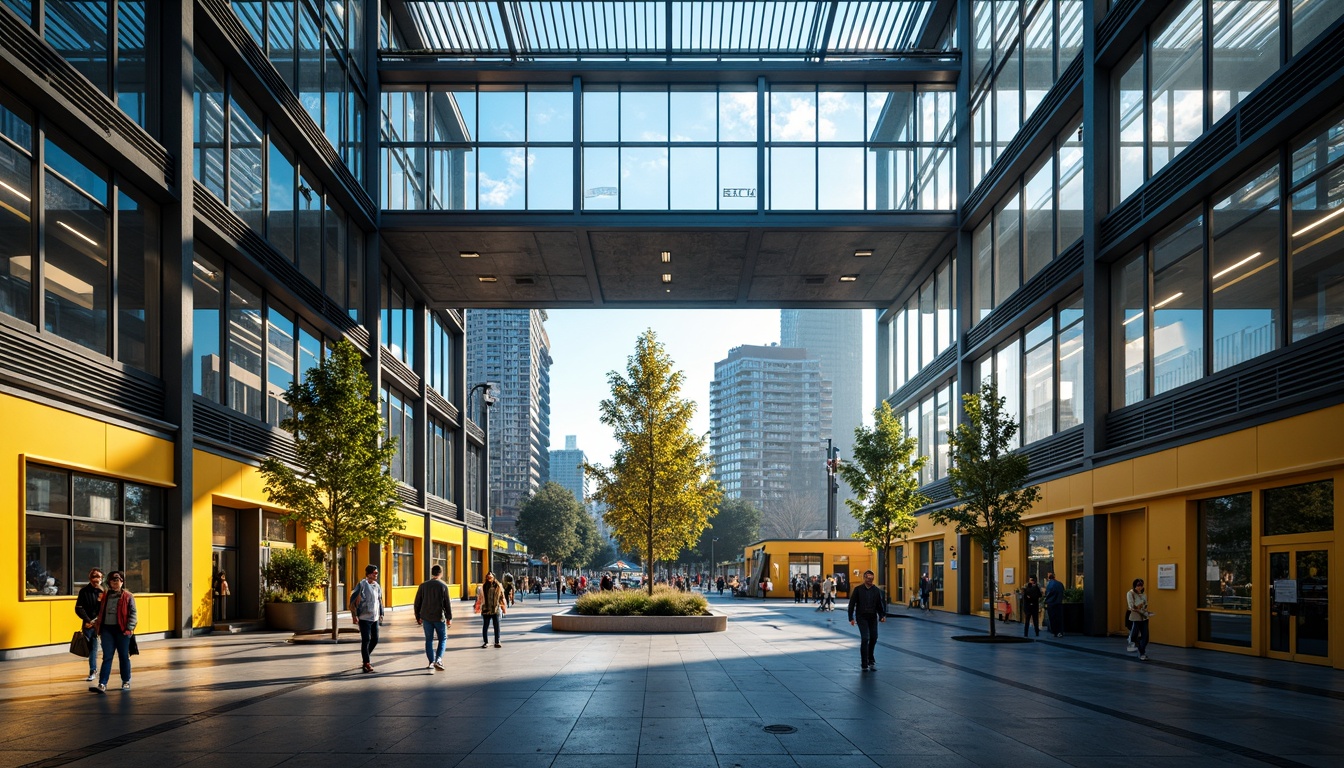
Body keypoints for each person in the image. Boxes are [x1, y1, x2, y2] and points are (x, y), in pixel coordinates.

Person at [89, 570, 136, 693]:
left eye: (118, 580)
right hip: (107, 630)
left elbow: (133, 613)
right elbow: (101, 612)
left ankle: (126, 680)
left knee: (124, 656)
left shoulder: (128, 596)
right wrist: (96, 623)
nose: (116, 583)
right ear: (109, 582)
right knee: (107, 657)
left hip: (122, 630)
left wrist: (129, 628)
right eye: (113, 581)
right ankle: (102, 683)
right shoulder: (105, 596)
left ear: (122, 582)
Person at [414, 564, 453, 672]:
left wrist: (418, 616)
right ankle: (438, 659)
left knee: (429, 640)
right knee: (442, 639)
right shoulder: (443, 586)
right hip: (439, 617)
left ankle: (431, 662)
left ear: (432, 573)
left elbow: (417, 602)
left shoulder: (423, 585)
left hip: (426, 617)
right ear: (441, 573)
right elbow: (447, 603)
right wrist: (449, 618)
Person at [848, 570, 887, 671]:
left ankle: (870, 657)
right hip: (862, 617)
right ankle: (864, 662)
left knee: (874, 637)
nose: (870, 580)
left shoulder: (876, 590)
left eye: (872, 578)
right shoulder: (858, 590)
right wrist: (851, 618)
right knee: (865, 638)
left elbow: (879, 605)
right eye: (868, 578)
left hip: (873, 617)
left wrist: (882, 615)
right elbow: (851, 604)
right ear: (864, 578)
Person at [350, 564, 382, 673]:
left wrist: (381, 613)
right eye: (374, 573)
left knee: (375, 639)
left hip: (375, 617)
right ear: (368, 574)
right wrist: (354, 616)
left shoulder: (377, 586)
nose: (376, 574)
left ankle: (365, 657)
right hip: (364, 617)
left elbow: (379, 600)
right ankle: (367, 663)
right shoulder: (362, 584)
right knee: (366, 639)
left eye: (377, 573)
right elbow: (352, 600)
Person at [75, 569, 104, 683]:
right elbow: (78, 608)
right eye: (93, 576)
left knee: (105, 648)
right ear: (89, 578)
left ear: (102, 579)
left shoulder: (105, 591)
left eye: (98, 577)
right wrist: (88, 620)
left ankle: (103, 671)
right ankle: (93, 670)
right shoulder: (84, 591)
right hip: (89, 625)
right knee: (92, 649)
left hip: (102, 624)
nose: (96, 579)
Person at [475, 571, 507, 648]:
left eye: (490, 577)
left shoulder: (498, 586)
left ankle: (497, 641)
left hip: (495, 609)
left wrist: (503, 608)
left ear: (494, 577)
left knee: (497, 626)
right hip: (486, 609)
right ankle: (486, 642)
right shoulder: (483, 587)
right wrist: (478, 607)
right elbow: (480, 598)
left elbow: (502, 598)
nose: (489, 578)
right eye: (488, 577)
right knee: (485, 626)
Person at [1126, 577, 1153, 660]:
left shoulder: (1144, 594)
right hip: (1135, 616)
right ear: (1134, 586)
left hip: (1144, 617)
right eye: (1138, 585)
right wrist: (1139, 606)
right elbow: (1131, 605)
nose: (1139, 587)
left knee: (1146, 636)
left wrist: (1145, 609)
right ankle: (1139, 649)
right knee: (1134, 634)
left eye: (1141, 585)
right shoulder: (1130, 593)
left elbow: (1145, 604)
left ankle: (1142, 652)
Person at [1044, 572, 1065, 637]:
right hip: (1059, 603)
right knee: (1059, 618)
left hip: (1051, 603)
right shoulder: (1060, 584)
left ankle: (1055, 631)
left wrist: (1046, 601)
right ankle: (1060, 631)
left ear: (1049, 579)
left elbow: (1047, 594)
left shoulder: (1049, 585)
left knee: (1052, 618)